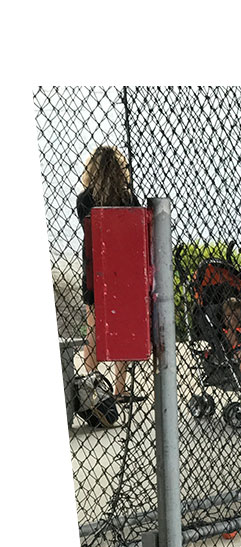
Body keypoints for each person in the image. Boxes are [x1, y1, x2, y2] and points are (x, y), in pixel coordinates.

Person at [76, 145, 144, 406]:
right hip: (123, 272)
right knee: (121, 327)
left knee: (93, 325)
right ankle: (119, 387)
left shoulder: (85, 199)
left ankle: (91, 382)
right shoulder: (127, 199)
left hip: (95, 269)